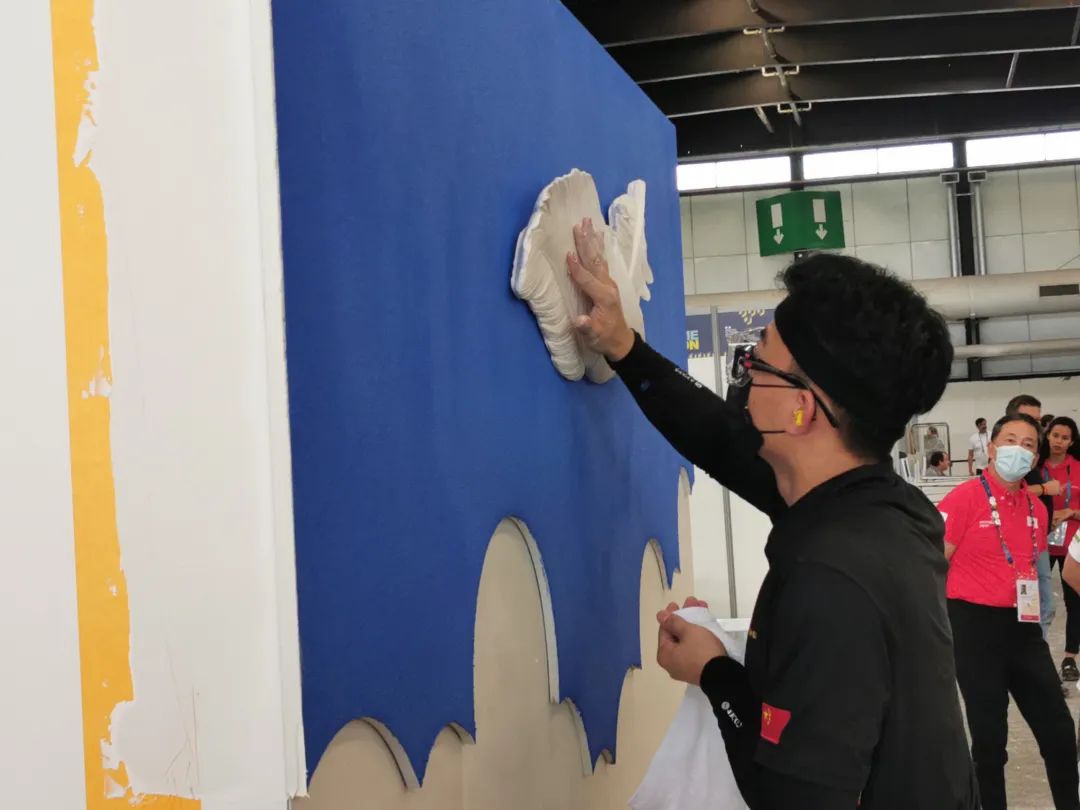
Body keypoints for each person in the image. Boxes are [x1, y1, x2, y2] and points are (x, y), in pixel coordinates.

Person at [565, 223, 977, 809]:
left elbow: (792, 797)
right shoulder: (877, 508)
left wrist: (713, 671)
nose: (745, 374)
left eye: (756, 363)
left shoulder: (830, 577)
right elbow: (719, 438)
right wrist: (623, 346)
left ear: (801, 410)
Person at [938, 413, 1079, 810]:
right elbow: (932, 565)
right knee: (989, 739)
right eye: (1011, 440)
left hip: (1023, 629)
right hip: (973, 627)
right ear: (993, 448)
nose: (1019, 449)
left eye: (1029, 444)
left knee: (1059, 731)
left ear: (1034, 459)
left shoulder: (1036, 508)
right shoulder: (963, 499)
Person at [1007, 395, 1059, 643]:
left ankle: (1037, 654)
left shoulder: (1034, 451)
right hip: (1020, 538)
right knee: (1037, 604)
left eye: (1038, 421)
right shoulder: (1011, 456)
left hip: (1039, 534)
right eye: (1030, 418)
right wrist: (1046, 489)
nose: (1037, 426)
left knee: (1044, 604)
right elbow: (1009, 492)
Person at [1040, 416, 1080, 681]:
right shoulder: (1035, 466)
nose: (1059, 441)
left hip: (1072, 545)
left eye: (1065, 438)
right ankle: (1035, 656)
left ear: (1072, 442)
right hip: (1040, 542)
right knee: (1037, 601)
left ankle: (1069, 658)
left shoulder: (1078, 467)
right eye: (1055, 435)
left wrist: (1070, 512)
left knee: (1074, 602)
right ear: (1047, 435)